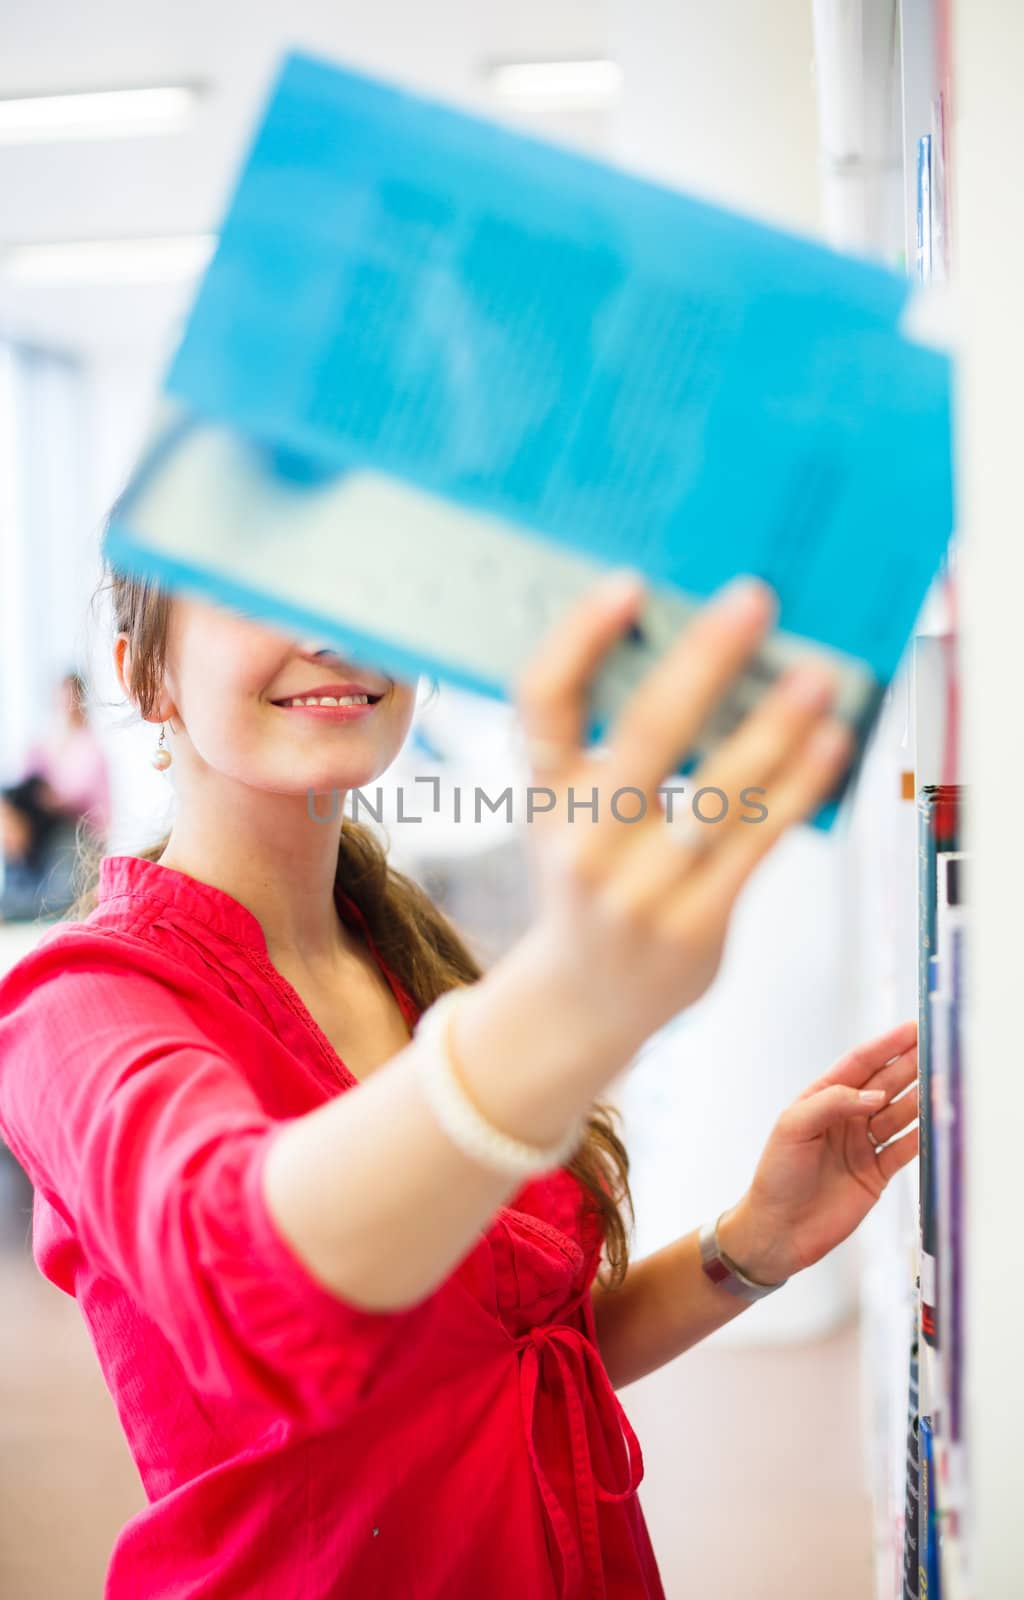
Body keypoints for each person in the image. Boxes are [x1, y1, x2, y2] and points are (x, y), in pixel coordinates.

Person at [0, 550, 918, 1599]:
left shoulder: (402, 952)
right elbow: (247, 1275)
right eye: (259, 591)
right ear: (143, 674)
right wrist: (568, 1001)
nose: (332, 633)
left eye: (369, 590)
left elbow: (508, 1362)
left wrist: (749, 1242)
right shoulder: (80, 1004)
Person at [0, 671, 111, 921]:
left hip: (72, 833)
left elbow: (101, 813)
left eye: (71, 697)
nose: (66, 704)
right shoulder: (44, 744)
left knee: (56, 894)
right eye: (62, 697)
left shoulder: (92, 749)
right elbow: (27, 784)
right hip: (41, 828)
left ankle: (12, 906)